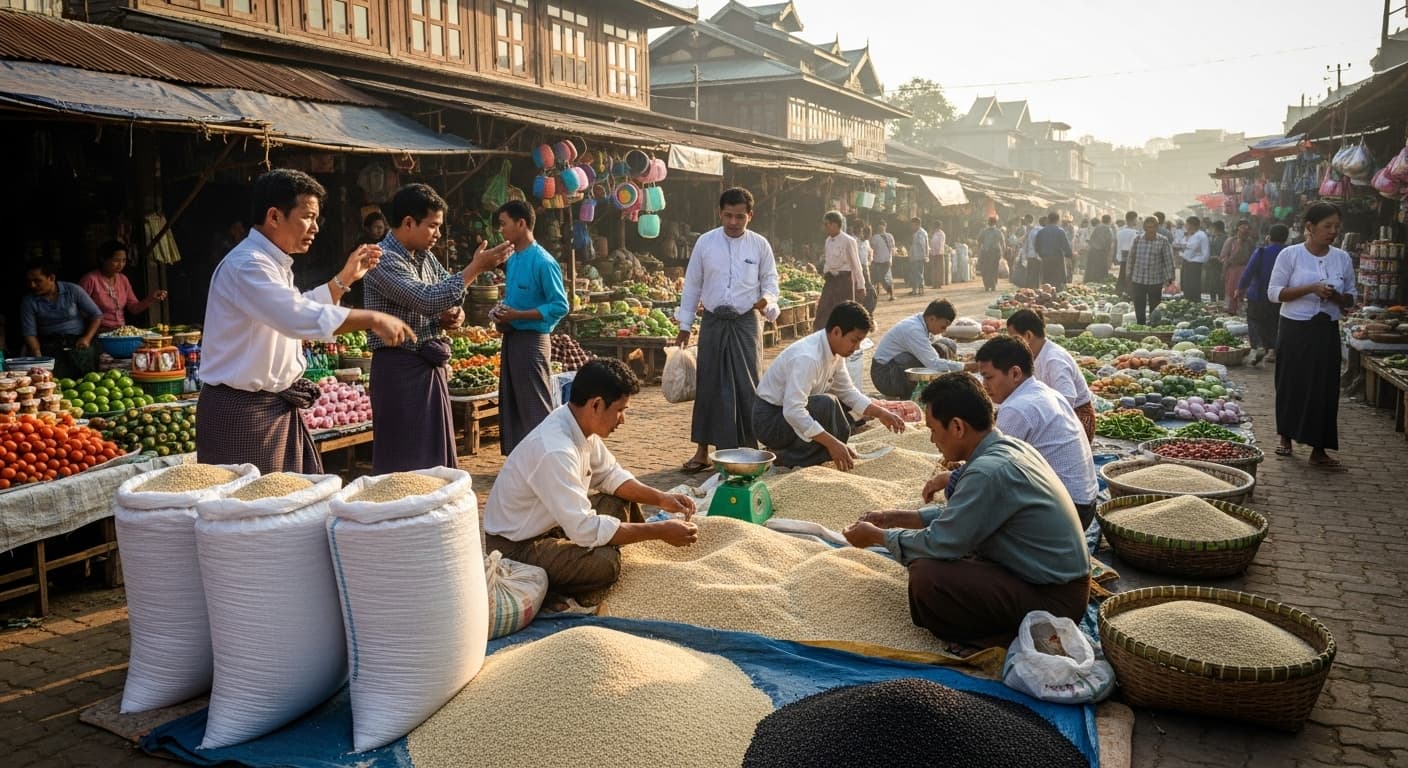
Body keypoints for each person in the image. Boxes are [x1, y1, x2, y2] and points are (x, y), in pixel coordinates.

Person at [841, 372, 1090, 648]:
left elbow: (941, 542)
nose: (933, 440)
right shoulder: (1006, 447)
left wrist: (877, 537)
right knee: (946, 559)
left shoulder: (989, 471)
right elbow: (966, 515)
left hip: (1055, 604)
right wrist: (894, 518)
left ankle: (998, 640)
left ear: (957, 427)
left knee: (928, 577)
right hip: (1050, 583)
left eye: (934, 430)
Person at [197, 168, 415, 474]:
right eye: (307, 216)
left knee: (280, 511)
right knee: (254, 514)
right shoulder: (248, 265)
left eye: (316, 218)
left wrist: (344, 279)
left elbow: (296, 307)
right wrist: (371, 317)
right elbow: (295, 317)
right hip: (244, 413)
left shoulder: (273, 263)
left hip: (267, 409)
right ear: (274, 216)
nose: (315, 227)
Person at [482, 359, 699, 607]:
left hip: (553, 524)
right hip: (516, 549)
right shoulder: (555, 450)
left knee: (619, 501)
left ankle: (584, 556)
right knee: (606, 564)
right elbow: (584, 528)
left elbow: (610, 475)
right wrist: (659, 531)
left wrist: (661, 498)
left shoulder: (578, 425)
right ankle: (553, 587)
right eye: (620, 410)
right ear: (596, 404)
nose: (622, 419)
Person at [363, 183, 512, 473]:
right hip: (399, 369)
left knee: (433, 460)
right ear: (408, 222)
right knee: (404, 463)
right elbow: (427, 298)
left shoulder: (425, 257)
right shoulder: (381, 260)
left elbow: (446, 293)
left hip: (428, 366)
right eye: (433, 226)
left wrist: (453, 315)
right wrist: (475, 268)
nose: (438, 234)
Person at [675, 187, 780, 474]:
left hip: (746, 321)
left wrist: (767, 301)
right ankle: (702, 451)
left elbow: (771, 282)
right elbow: (692, 284)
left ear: (750, 215)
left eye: (740, 217)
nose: (733, 222)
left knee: (749, 384)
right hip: (712, 322)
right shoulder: (705, 243)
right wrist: (685, 325)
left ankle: (750, 448)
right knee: (709, 383)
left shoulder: (760, 245)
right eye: (728, 216)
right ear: (720, 213)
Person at [754, 301, 905, 469]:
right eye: (854, 340)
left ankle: (816, 454)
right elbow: (793, 410)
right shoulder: (808, 358)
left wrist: (881, 413)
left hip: (786, 414)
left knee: (837, 412)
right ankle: (787, 458)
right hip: (769, 419)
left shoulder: (836, 352)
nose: (856, 348)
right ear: (836, 332)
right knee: (826, 404)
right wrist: (832, 443)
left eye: (859, 342)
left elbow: (848, 392)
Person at [974, 336, 1099, 527]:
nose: (984, 385)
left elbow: (989, 470)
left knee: (978, 510)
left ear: (1015, 373)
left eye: (989, 377)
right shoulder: (1044, 391)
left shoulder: (1017, 408)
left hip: (1067, 512)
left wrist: (953, 479)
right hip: (1086, 503)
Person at [1268, 202, 1356, 470]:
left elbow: (1351, 297)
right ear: (1309, 227)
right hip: (1295, 327)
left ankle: (1319, 448)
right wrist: (1310, 289)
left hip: (1326, 328)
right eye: (1327, 226)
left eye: (1336, 227)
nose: (1332, 232)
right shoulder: (1290, 255)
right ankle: (1286, 436)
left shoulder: (1342, 258)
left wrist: (1336, 296)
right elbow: (1274, 293)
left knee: (1325, 387)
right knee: (1290, 381)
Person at [491, 199, 571, 455]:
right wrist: (500, 311)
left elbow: (560, 305)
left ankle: (551, 458)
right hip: (512, 339)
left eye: (504, 224)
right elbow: (512, 299)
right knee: (513, 401)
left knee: (536, 403)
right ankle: (523, 459)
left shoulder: (544, 262)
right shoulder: (513, 260)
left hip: (533, 341)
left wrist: (518, 314)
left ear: (521, 223)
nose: (500, 230)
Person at [1006, 309, 1096, 441]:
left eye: (1014, 337)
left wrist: (1041, 420)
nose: (1011, 344)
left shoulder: (1054, 359)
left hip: (1075, 418)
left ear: (1028, 336)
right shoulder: (1035, 355)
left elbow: (1067, 398)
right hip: (1052, 414)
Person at [20, 259, 103, 379]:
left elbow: (96, 315)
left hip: (77, 341)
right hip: (49, 344)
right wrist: (39, 358)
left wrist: (87, 338)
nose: (32, 285)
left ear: (51, 278)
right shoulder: (29, 301)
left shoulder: (73, 290)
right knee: (57, 379)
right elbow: (29, 334)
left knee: (88, 377)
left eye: (37, 281)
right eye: (29, 281)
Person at [870, 300, 964, 398]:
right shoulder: (914, 330)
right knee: (934, 354)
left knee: (947, 344)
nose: (944, 330)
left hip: (892, 368)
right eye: (943, 326)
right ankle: (915, 395)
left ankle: (937, 389)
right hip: (885, 377)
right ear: (932, 319)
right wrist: (965, 366)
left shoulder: (923, 320)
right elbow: (933, 362)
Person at [79, 241, 168, 332]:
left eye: (124, 260)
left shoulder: (123, 279)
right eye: (116, 260)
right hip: (97, 332)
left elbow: (134, 308)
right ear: (103, 259)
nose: (121, 265)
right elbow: (80, 311)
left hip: (121, 331)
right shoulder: (90, 280)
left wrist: (151, 299)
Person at [1236, 223, 1288, 365]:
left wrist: (1240, 289)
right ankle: (1272, 350)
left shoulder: (1261, 252)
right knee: (1275, 322)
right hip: (1282, 295)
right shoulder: (1289, 253)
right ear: (1286, 238)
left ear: (1269, 236)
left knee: (1255, 320)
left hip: (1258, 294)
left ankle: (1258, 346)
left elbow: (1248, 272)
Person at [814, 211, 864, 331]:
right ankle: (822, 336)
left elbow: (856, 264)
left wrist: (861, 285)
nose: (825, 227)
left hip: (844, 281)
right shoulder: (828, 241)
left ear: (835, 224)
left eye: (827, 224)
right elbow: (828, 261)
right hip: (831, 280)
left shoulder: (849, 241)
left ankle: (845, 337)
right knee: (823, 310)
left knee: (844, 312)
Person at [1128, 216, 1177, 325]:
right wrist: (1129, 274)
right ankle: (1141, 325)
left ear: (1156, 227)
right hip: (1138, 278)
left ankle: (1154, 326)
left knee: (1154, 307)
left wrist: (1170, 278)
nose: (1150, 229)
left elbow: (1168, 260)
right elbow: (1131, 257)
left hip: (1155, 280)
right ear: (1144, 227)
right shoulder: (1137, 239)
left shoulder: (1163, 241)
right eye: (1147, 227)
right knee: (1139, 304)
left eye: (1152, 227)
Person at [1221, 219, 1256, 314]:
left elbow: (1253, 257)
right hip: (1232, 270)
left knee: (1243, 291)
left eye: (1247, 228)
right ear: (1237, 229)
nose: (1245, 230)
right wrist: (1224, 271)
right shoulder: (1230, 241)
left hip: (1245, 269)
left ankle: (1241, 311)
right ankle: (1231, 311)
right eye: (1243, 227)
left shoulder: (1250, 242)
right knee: (1231, 290)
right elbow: (1224, 256)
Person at [1035, 211, 1072, 290]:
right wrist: (1069, 255)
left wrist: (1041, 255)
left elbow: (1036, 246)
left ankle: (1046, 298)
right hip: (1057, 259)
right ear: (1057, 220)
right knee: (1057, 281)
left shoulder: (1041, 232)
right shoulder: (1060, 231)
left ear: (1048, 219)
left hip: (1045, 259)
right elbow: (1066, 246)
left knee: (1047, 281)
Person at [1180, 216, 1210, 303]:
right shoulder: (1191, 235)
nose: (1185, 226)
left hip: (1195, 264)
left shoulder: (1200, 235)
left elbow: (1203, 253)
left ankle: (1194, 304)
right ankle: (1188, 303)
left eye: (1187, 224)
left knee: (1193, 287)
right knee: (1187, 287)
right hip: (1187, 263)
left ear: (1191, 225)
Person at [870, 220, 896, 300]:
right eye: (880, 225)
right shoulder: (875, 237)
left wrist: (891, 258)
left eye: (883, 225)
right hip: (877, 261)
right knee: (874, 279)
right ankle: (873, 296)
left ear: (885, 226)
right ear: (877, 227)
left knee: (886, 278)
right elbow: (871, 248)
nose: (881, 227)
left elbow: (893, 248)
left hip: (887, 260)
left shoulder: (890, 236)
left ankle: (891, 295)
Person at [976, 217, 1004, 292]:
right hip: (995, 252)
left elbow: (979, 242)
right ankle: (993, 284)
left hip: (986, 253)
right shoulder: (998, 232)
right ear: (995, 223)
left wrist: (978, 252)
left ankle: (987, 285)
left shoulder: (984, 231)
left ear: (988, 222)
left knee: (986, 269)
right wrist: (1002, 253)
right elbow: (1003, 243)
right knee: (994, 269)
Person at [1115, 211, 1140, 296]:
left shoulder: (1120, 231)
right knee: (1130, 276)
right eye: (1136, 219)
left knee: (1122, 274)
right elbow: (1133, 247)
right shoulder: (1134, 233)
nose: (1137, 221)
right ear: (1133, 219)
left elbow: (1118, 245)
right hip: (1131, 257)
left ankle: (1119, 291)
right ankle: (1129, 293)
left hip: (1122, 256)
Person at [1085, 214, 1114, 283]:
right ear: (1109, 220)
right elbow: (1109, 241)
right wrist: (1108, 252)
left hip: (1093, 250)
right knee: (1101, 269)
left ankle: (1090, 281)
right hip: (1101, 252)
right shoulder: (1108, 229)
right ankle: (1099, 281)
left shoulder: (1097, 227)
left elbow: (1091, 239)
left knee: (1092, 268)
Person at [1206, 220, 1228, 304]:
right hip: (1212, 264)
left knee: (1220, 284)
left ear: (1216, 228)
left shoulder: (1225, 239)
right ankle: (1213, 302)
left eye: (1213, 228)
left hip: (1220, 264)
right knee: (1212, 284)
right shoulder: (1212, 237)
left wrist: (1218, 257)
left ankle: (1220, 302)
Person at [858, 224, 878, 313]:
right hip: (858, 268)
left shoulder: (866, 242)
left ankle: (869, 309)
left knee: (869, 288)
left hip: (865, 267)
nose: (869, 235)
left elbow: (870, 252)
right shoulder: (855, 242)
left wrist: (870, 261)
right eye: (868, 233)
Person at [909, 217, 929, 296]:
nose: (912, 227)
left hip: (919, 256)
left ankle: (920, 289)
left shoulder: (921, 233)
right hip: (916, 256)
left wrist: (925, 256)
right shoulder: (918, 232)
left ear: (918, 224)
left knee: (918, 273)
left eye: (913, 225)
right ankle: (915, 289)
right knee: (916, 273)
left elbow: (923, 245)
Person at [928, 219, 946, 289]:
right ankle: (935, 284)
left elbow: (939, 244)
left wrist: (937, 252)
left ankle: (938, 284)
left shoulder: (940, 234)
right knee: (935, 269)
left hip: (938, 253)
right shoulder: (935, 233)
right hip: (934, 253)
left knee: (938, 269)